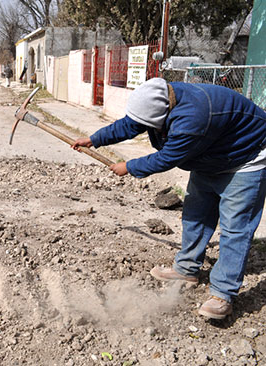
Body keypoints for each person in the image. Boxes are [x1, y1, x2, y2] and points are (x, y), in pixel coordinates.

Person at [72, 78, 266, 320]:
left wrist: (129, 166)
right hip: (210, 157)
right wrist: (95, 139)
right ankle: (186, 269)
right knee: (195, 216)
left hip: (245, 160)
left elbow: (167, 158)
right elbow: (130, 125)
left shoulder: (193, 119)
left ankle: (222, 294)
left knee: (235, 229)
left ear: (163, 114)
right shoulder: (160, 100)